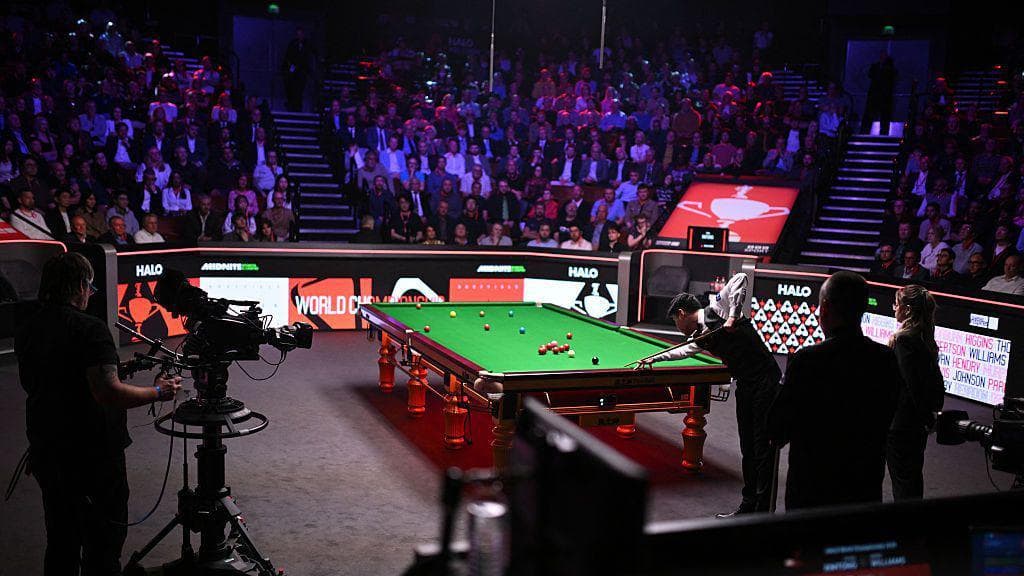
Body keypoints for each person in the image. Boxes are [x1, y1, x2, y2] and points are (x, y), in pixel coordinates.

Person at [15, 253, 181, 575]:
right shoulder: (91, 329)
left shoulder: (29, 327)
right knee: (102, 548)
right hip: (93, 459)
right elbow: (108, 392)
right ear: (79, 285)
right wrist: (160, 392)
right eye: (89, 285)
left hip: (48, 452)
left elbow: (49, 381)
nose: (91, 293)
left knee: (61, 541)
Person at [639, 273, 781, 516]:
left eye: (675, 321)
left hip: (766, 382)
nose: (677, 326)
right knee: (747, 447)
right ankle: (748, 506)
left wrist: (734, 315)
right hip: (746, 385)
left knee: (762, 449)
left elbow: (740, 278)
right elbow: (682, 352)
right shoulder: (700, 336)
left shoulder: (717, 308)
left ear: (682, 314)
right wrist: (656, 358)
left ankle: (763, 512)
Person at [768, 271, 900, 510]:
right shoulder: (886, 359)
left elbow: (777, 429)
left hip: (812, 493)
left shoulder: (806, 360)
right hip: (864, 489)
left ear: (825, 307)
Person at [887, 285, 945, 501]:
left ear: (908, 310)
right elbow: (936, 381)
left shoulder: (904, 340)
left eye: (897, 304)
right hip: (916, 424)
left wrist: (926, 418)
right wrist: (932, 414)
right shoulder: (925, 338)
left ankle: (907, 530)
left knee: (904, 482)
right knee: (911, 478)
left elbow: (913, 385)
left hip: (901, 425)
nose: (894, 308)